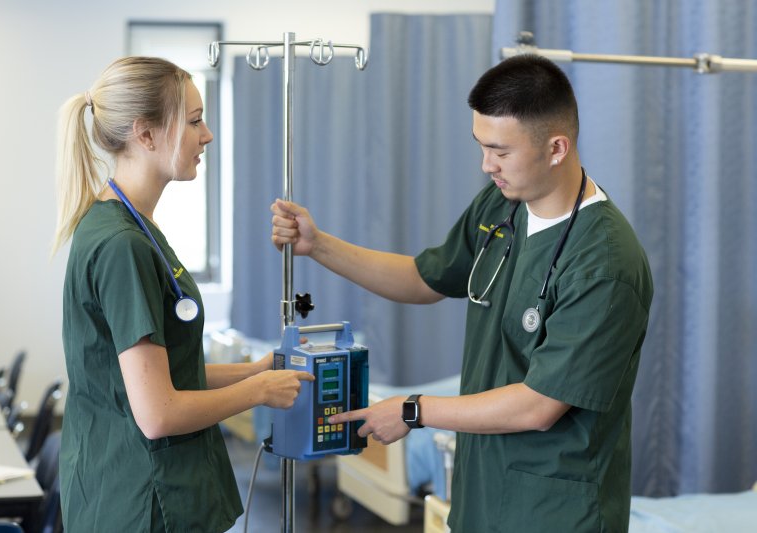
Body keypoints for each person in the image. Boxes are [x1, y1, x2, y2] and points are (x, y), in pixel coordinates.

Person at [271, 54, 653, 532]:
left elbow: (540, 404)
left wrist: (414, 410)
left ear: (557, 148)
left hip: (555, 512)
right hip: (479, 497)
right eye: (481, 146)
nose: (486, 165)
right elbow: (422, 278)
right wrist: (319, 245)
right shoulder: (502, 205)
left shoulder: (605, 263)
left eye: (501, 151)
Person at [53, 56, 314, 532]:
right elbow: (158, 413)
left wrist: (256, 370)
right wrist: (259, 391)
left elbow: (164, 373)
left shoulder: (122, 225)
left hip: (123, 483)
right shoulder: (122, 246)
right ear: (146, 134)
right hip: (142, 499)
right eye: (194, 121)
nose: (207, 135)